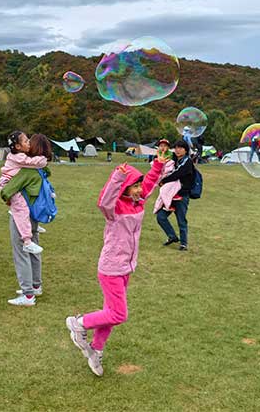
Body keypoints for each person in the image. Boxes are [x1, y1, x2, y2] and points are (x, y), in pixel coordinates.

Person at [64, 156, 166, 377]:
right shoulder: (114, 208)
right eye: (134, 186)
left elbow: (150, 184)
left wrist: (158, 165)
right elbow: (104, 200)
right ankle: (79, 323)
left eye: (139, 186)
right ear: (124, 188)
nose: (139, 190)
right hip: (111, 268)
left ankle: (96, 350)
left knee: (109, 313)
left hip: (126, 268)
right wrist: (118, 176)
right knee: (119, 314)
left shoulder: (138, 202)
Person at [0, 134, 54, 306]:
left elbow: (6, 191)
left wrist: (5, 194)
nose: (28, 143)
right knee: (33, 252)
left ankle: (28, 294)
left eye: (30, 141)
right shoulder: (38, 169)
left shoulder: (25, 170)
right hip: (34, 213)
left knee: (22, 252)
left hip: (22, 215)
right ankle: (36, 285)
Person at [0, 131, 47, 255]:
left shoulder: (18, 155)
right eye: (26, 141)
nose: (29, 142)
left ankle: (30, 226)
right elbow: (34, 163)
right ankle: (27, 241)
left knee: (27, 203)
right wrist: (43, 159)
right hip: (10, 185)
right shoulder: (19, 157)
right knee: (22, 209)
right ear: (18, 146)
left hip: (14, 183)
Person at [156, 140, 195, 251]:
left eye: (180, 148)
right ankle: (172, 236)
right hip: (170, 195)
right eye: (176, 148)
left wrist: (164, 181)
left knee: (181, 220)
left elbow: (178, 173)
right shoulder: (174, 160)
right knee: (161, 217)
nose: (177, 150)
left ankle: (183, 243)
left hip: (181, 196)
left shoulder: (187, 161)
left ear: (186, 150)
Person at [153, 139, 180, 214]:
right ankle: (166, 205)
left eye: (165, 146)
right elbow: (155, 166)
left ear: (168, 147)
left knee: (175, 184)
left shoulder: (172, 154)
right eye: (161, 146)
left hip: (170, 173)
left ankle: (173, 197)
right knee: (165, 190)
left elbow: (175, 164)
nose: (163, 147)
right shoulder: (156, 155)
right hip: (162, 175)